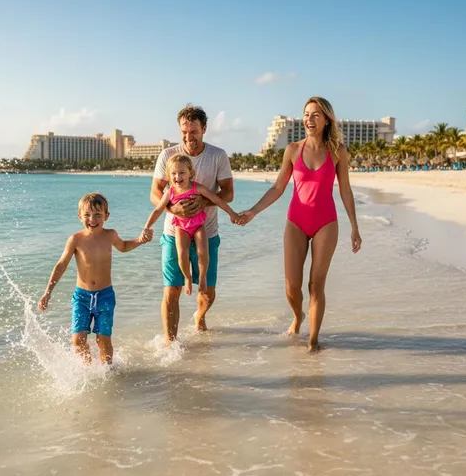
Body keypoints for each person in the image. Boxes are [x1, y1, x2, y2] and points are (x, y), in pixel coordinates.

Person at [237, 97, 362, 353]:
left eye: (316, 114)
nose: (309, 119)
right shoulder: (293, 150)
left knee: (316, 284)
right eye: (306, 114)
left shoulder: (338, 151)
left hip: (326, 222)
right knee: (292, 286)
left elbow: (346, 191)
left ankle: (313, 341)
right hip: (296, 221)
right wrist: (253, 211)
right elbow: (277, 188)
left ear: (327, 119)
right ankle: (298, 317)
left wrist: (354, 227)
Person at [150, 104, 234, 342]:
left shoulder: (217, 156)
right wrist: (171, 208)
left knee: (208, 292)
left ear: (204, 129)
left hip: (207, 231)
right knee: (171, 289)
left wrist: (203, 203)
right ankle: (170, 343)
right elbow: (155, 193)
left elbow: (228, 193)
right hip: (173, 230)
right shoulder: (168, 155)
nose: (189, 137)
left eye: (194, 131)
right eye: (184, 132)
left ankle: (200, 314)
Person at [37, 192, 150, 364]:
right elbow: (61, 265)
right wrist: (48, 292)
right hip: (82, 297)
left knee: (103, 340)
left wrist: (140, 240)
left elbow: (124, 246)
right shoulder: (76, 239)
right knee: (78, 340)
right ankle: (87, 371)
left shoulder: (110, 235)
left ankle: (108, 372)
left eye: (98, 215)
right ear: (79, 216)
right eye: (87, 215)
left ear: (106, 216)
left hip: (105, 296)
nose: (92, 219)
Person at [144, 154, 241, 296]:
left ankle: (202, 277)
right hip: (181, 228)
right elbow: (158, 210)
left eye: (182, 172)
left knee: (203, 251)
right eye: (174, 174)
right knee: (182, 253)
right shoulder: (170, 192)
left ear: (190, 173)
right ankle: (187, 277)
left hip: (198, 226)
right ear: (169, 177)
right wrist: (147, 226)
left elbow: (217, 200)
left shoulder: (197, 188)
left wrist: (233, 214)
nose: (178, 177)